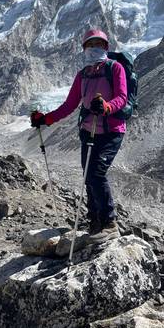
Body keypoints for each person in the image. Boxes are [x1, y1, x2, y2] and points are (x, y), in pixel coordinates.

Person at [30, 29, 127, 243]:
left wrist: (107, 106)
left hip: (111, 130)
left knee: (96, 174)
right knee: (88, 177)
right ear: (84, 49)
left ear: (106, 48)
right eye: (91, 45)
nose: (95, 48)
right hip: (88, 130)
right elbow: (69, 105)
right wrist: (45, 119)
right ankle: (95, 223)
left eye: (99, 45)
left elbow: (122, 97)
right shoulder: (82, 75)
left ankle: (110, 223)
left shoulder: (115, 68)